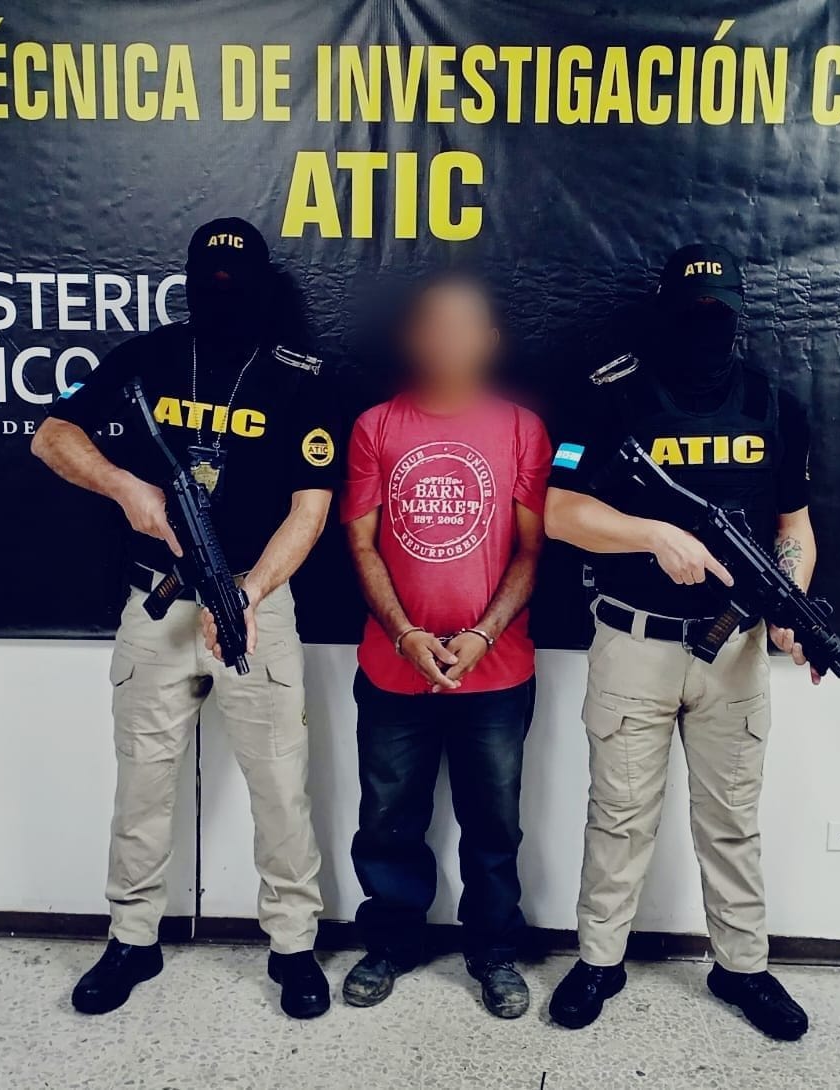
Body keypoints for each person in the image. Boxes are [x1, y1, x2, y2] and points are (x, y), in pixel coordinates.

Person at [31, 218, 337, 1020]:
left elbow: (310, 510)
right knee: (143, 782)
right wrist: (125, 488)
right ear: (190, 281)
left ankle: (293, 946)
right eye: (209, 280)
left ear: (262, 287)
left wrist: (252, 591)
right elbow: (51, 437)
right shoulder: (148, 358)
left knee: (280, 787)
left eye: (236, 282)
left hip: (255, 606)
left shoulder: (299, 375)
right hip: (157, 605)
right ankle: (132, 938)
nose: (221, 294)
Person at [543, 244, 818, 1040]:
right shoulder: (608, 395)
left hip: (734, 652)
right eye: (692, 313)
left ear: (737, 317)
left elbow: (795, 529)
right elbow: (560, 513)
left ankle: (743, 968)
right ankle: (600, 961)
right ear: (662, 312)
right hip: (636, 641)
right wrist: (652, 534)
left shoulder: (774, 405)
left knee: (732, 820)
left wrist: (790, 604)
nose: (706, 327)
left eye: (718, 314)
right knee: (620, 816)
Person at [338, 274, 550, 1018]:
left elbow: (532, 549)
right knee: (388, 820)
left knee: (493, 826)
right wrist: (405, 633)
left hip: (497, 671)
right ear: (412, 338)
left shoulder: (522, 428)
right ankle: (392, 943)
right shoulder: (375, 427)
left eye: (464, 327)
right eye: (434, 325)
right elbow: (360, 543)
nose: (448, 341)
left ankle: (493, 952)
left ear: (489, 341)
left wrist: (483, 633)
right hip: (391, 668)